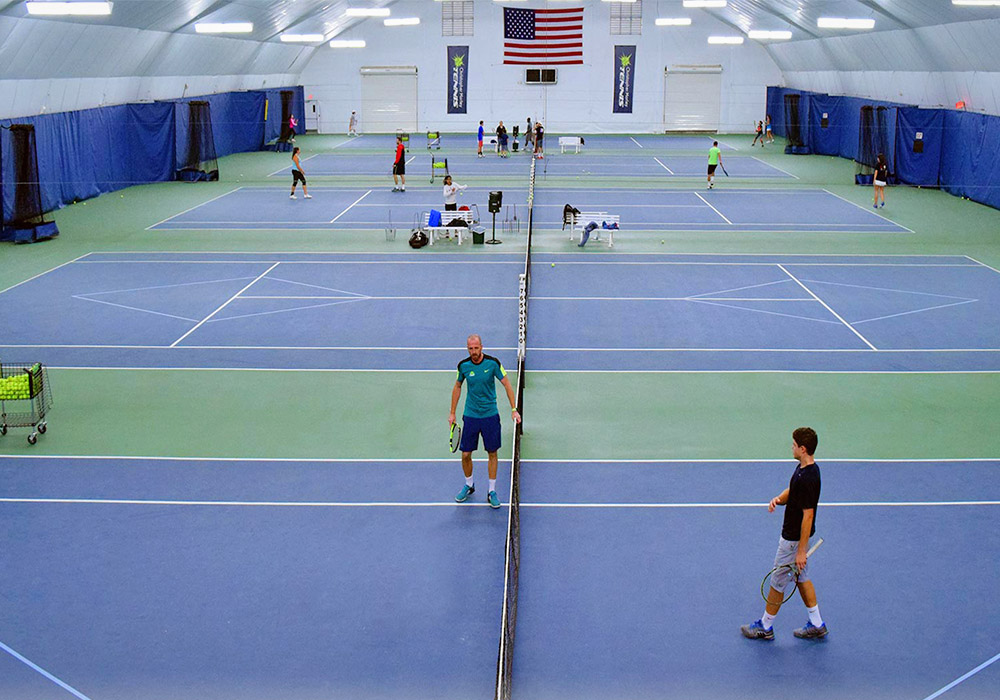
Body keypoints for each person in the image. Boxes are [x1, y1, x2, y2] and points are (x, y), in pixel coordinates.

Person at [741, 427, 827, 641]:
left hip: (793, 540)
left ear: (803, 448)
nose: (792, 447)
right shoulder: (804, 469)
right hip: (796, 540)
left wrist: (800, 551)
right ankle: (817, 623)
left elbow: (808, 515)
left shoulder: (809, 478)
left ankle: (765, 626)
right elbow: (792, 491)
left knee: (777, 581)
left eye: (794, 444)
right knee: (802, 578)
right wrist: (779, 499)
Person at [450, 334, 521, 509]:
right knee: (466, 454)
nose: (473, 351)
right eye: (470, 349)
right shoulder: (463, 366)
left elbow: (507, 384)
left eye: (476, 348)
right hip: (471, 415)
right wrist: (452, 413)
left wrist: (514, 409)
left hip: (490, 415)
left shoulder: (493, 363)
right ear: (468, 348)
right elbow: (458, 386)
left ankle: (491, 491)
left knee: (492, 453)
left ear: (482, 346)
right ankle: (469, 484)